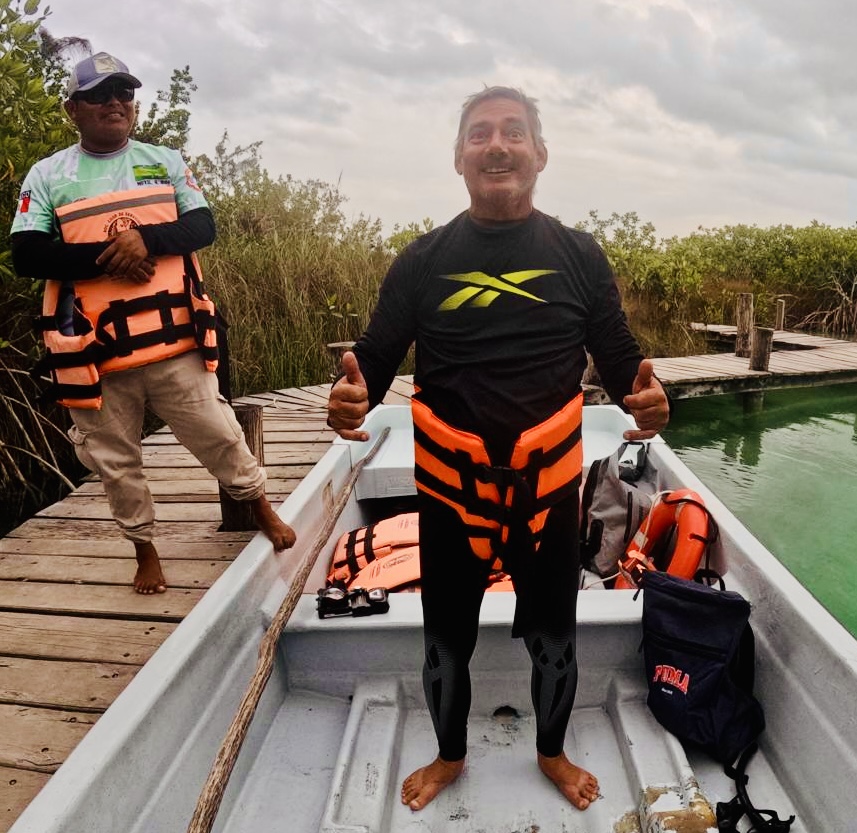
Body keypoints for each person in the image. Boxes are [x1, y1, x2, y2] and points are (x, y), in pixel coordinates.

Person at [327, 86, 670, 812]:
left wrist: (649, 400)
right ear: (458, 158)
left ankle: (550, 751)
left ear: (540, 154)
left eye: (514, 132)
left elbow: (620, 365)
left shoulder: (578, 255)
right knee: (445, 647)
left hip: (546, 503)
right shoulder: (422, 260)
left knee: (556, 644)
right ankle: (451, 756)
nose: (497, 144)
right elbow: (373, 363)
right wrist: (350, 399)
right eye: (479, 133)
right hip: (453, 500)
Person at [10, 52, 296, 594]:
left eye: (124, 93)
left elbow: (202, 226)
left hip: (174, 344)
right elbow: (27, 255)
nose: (115, 103)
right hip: (97, 356)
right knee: (116, 463)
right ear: (74, 109)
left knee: (221, 435)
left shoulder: (163, 160)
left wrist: (148, 240)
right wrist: (109, 255)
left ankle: (261, 509)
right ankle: (145, 549)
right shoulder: (49, 175)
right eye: (100, 95)